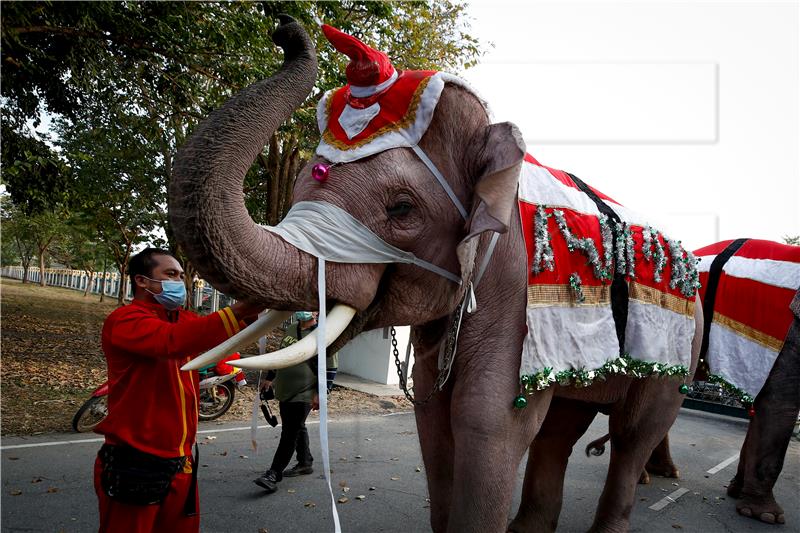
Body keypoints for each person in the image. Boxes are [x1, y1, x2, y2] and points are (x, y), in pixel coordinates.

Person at [93, 248, 262, 533]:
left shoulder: (183, 319)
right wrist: (243, 307)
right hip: (136, 460)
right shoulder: (125, 320)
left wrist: (264, 304)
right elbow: (172, 342)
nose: (179, 282)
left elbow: (227, 330)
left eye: (181, 276)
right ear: (142, 281)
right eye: (170, 274)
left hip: (181, 460)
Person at [254, 311, 337, 493]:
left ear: (316, 312)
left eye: (308, 308)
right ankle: (305, 462)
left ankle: (274, 474)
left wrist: (321, 394)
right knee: (297, 426)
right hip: (285, 391)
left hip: (304, 393)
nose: (303, 310)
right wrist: (270, 377)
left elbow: (330, 367)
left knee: (289, 432)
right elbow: (282, 354)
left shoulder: (324, 334)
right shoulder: (291, 328)